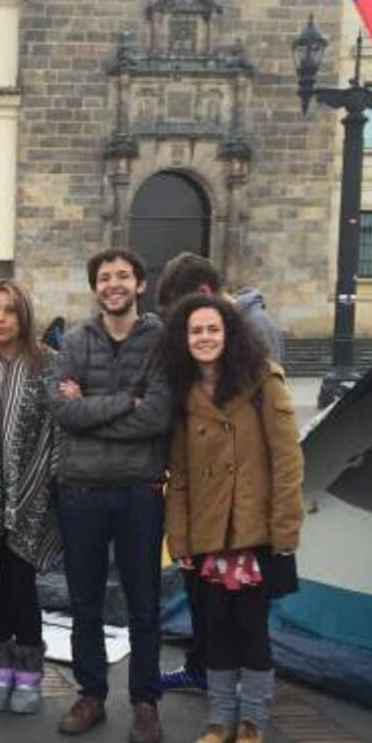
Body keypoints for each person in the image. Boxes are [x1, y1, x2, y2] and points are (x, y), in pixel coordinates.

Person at [162, 294, 304, 743]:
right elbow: (178, 474)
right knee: (215, 628)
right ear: (185, 340)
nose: (204, 339)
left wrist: (284, 532)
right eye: (196, 331)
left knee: (251, 629)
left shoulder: (262, 381)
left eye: (213, 330)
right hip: (209, 535)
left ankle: (252, 723)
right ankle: (219, 719)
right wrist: (179, 538)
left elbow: (287, 461)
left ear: (229, 335)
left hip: (253, 530)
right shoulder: (185, 394)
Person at [51, 248, 172, 743]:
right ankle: (91, 695)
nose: (114, 284)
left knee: (144, 602)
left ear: (140, 284)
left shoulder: (162, 343)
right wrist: (127, 402)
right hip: (81, 490)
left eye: (123, 275)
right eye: (105, 277)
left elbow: (159, 416)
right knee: (85, 601)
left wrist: (94, 411)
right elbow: (62, 410)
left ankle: (145, 702)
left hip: (141, 490)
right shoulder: (75, 339)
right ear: (95, 287)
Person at [154, 253, 286, 695]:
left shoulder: (255, 336)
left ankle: (243, 700)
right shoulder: (197, 357)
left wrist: (279, 526)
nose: (190, 331)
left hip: (242, 510)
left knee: (242, 612)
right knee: (208, 601)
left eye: (180, 314)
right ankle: (205, 670)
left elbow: (277, 446)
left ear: (204, 297)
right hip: (206, 503)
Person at [0, 280, 62, 715]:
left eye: (9, 310)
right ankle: (0, 673)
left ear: (23, 316)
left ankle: (30, 677)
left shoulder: (49, 365)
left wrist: (50, 484)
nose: (0, 318)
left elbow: (59, 429)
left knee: (22, 587)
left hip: (31, 495)